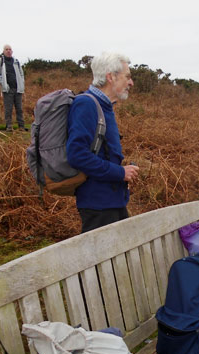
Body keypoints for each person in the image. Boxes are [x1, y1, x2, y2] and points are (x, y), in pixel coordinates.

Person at [66, 52, 139, 233]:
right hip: (98, 206)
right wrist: (120, 172)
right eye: (127, 77)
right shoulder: (87, 104)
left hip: (112, 201)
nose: (131, 83)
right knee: (101, 261)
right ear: (111, 77)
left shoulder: (104, 106)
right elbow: (77, 155)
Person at [0, 44, 26, 131]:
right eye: (6, 49)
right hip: (7, 89)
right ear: (3, 51)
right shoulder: (0, 61)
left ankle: (21, 126)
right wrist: (3, 83)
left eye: (10, 49)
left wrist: (22, 83)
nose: (8, 51)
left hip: (18, 88)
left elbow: (21, 74)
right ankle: (9, 126)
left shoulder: (16, 61)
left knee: (19, 108)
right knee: (8, 109)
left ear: (12, 51)